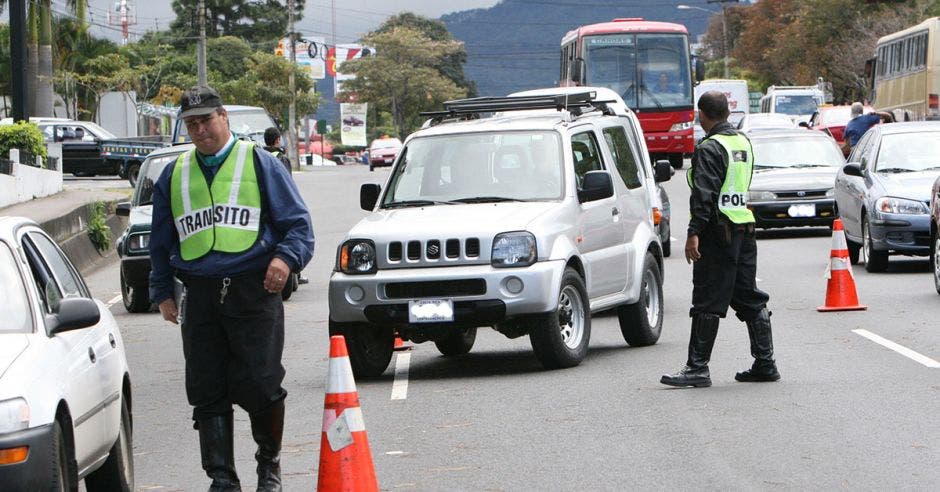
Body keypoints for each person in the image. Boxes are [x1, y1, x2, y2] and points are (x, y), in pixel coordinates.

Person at [148, 85, 314, 491]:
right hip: (201, 295)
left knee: (261, 382)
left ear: (223, 117)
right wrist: (162, 291)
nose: (200, 130)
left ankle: (268, 467)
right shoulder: (173, 174)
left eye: (206, 120)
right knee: (206, 388)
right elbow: (160, 240)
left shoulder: (260, 164)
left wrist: (284, 259)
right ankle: (222, 478)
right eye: (191, 123)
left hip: (252, 291)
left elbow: (299, 226)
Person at [660, 90, 780, 388]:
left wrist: (693, 233)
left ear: (702, 115)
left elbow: (704, 195)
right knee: (747, 295)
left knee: (707, 299)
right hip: (744, 228)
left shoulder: (710, 148)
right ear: (727, 112)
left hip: (718, 232)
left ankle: (697, 368)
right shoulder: (743, 142)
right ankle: (765, 363)